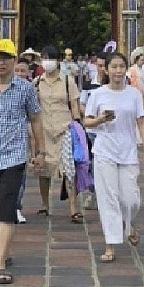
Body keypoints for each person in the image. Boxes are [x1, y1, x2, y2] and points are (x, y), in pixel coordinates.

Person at [0, 38, 46, 286]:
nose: (1, 62)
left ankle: (0, 261)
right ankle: (5, 250)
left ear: (15, 61)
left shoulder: (25, 89)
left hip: (14, 157)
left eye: (6, 58)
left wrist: (40, 151)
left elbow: (35, 120)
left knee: (8, 207)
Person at [83, 51, 144, 263]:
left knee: (130, 199)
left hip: (128, 150)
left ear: (126, 69)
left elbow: (142, 122)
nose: (117, 71)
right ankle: (110, 244)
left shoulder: (134, 94)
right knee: (109, 198)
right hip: (104, 150)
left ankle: (128, 224)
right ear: (106, 69)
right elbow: (86, 121)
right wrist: (100, 120)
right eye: (113, 67)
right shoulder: (98, 94)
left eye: (121, 67)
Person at [33, 45, 84, 222]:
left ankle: (73, 207)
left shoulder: (68, 81)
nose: (48, 61)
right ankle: (45, 204)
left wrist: (77, 125)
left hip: (65, 130)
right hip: (44, 131)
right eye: (45, 57)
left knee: (69, 170)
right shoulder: (37, 82)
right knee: (44, 169)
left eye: (51, 57)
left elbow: (75, 105)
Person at [13, 58, 34, 223]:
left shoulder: (30, 90)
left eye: (23, 71)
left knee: (20, 176)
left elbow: (35, 118)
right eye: (17, 70)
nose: (20, 74)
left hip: (21, 138)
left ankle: (17, 207)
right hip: (1, 140)